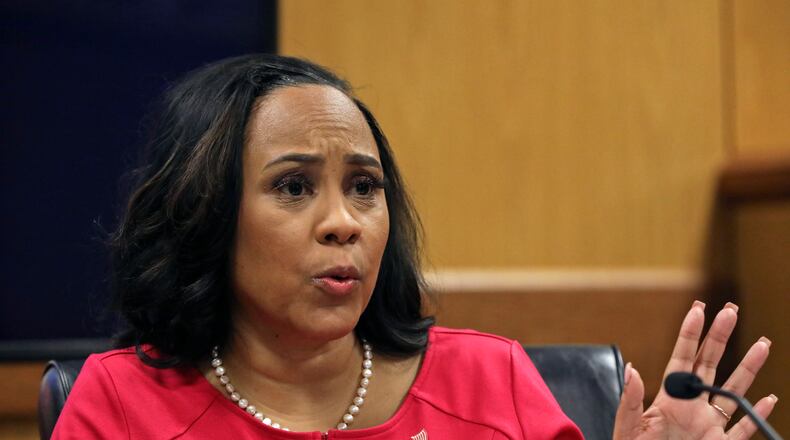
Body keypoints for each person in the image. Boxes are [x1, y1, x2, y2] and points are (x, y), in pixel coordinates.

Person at [51, 54, 776, 439]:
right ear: (206, 213)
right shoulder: (120, 406)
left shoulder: (494, 384)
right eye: (294, 188)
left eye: (364, 187)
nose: (346, 222)